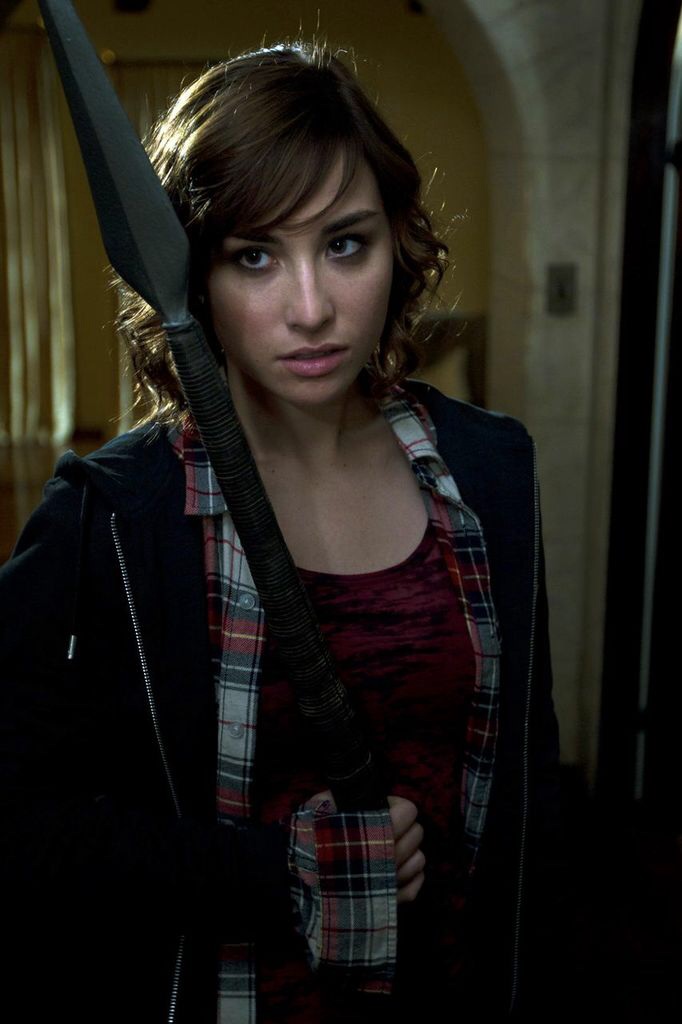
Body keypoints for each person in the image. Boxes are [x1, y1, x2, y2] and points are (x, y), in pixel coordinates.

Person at [0, 41, 562, 1023]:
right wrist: (276, 870)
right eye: (254, 256)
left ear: (397, 244)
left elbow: (530, 797)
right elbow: (20, 825)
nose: (312, 309)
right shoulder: (115, 516)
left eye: (345, 244)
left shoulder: (488, 473)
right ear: (194, 278)